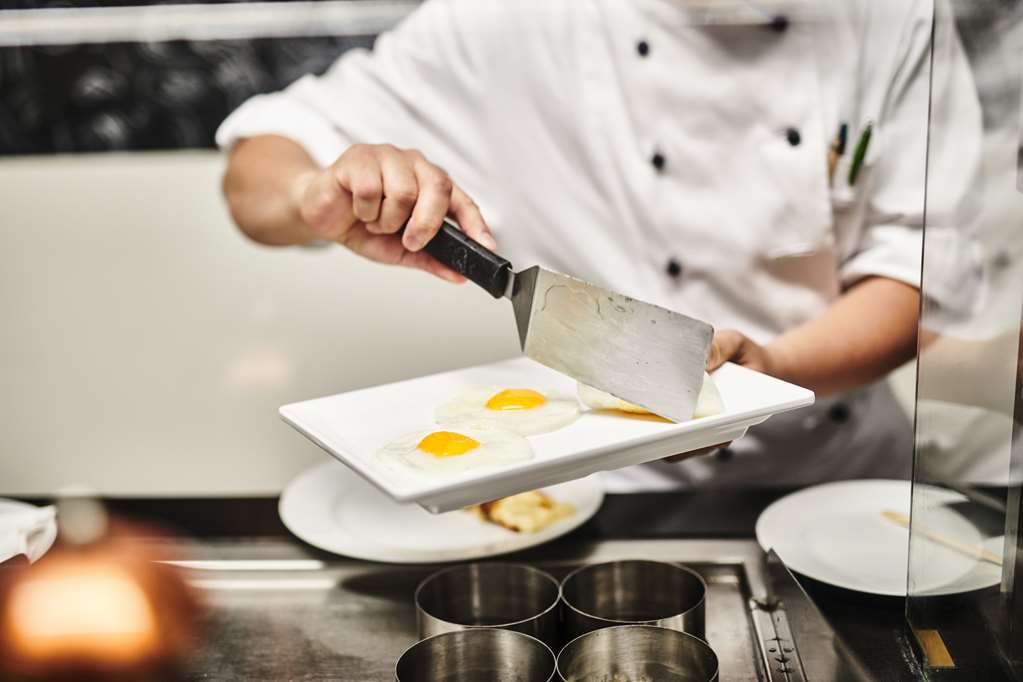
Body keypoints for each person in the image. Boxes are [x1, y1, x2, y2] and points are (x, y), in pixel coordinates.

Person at [217, 0, 981, 491]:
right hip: (605, 488)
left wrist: (768, 371)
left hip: (835, 475)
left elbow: (919, 274)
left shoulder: (892, 16)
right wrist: (311, 194)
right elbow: (257, 165)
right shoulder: (510, 21)